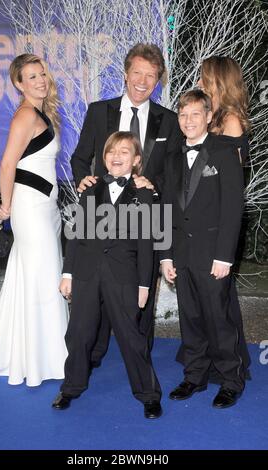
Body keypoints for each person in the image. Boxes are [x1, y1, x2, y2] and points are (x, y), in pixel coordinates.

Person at [70, 43, 183, 365]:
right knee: (97, 288)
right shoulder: (98, 111)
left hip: (146, 216)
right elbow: (80, 158)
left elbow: (171, 174)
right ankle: (92, 354)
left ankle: (139, 355)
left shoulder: (169, 121)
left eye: (151, 76)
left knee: (143, 285)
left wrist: (153, 187)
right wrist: (83, 181)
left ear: (158, 80)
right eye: (137, 73)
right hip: (102, 216)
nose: (143, 81)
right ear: (125, 75)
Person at [0, 54, 68, 386]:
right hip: (31, 211)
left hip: (46, 209)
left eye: (42, 73)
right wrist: (8, 207)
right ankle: (39, 360)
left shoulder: (41, 112)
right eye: (31, 77)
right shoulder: (25, 116)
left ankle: (42, 354)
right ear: (18, 83)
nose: (40, 80)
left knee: (43, 276)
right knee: (42, 278)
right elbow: (7, 164)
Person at [52, 131, 162, 419]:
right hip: (87, 272)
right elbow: (76, 235)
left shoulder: (144, 194)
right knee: (78, 333)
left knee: (132, 337)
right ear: (104, 158)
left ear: (136, 160)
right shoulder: (90, 188)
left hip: (124, 275)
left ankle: (148, 394)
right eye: (112, 151)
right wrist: (68, 273)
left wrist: (143, 284)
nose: (117, 156)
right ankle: (71, 386)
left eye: (125, 152)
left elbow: (147, 244)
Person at [161, 89, 247, 408]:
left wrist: (225, 256)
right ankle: (194, 376)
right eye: (183, 115)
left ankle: (230, 380)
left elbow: (233, 208)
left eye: (196, 114)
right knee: (191, 319)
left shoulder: (225, 151)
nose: (189, 120)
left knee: (219, 319)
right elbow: (168, 210)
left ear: (209, 117)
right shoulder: (171, 158)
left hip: (214, 255)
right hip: (182, 255)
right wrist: (166, 254)